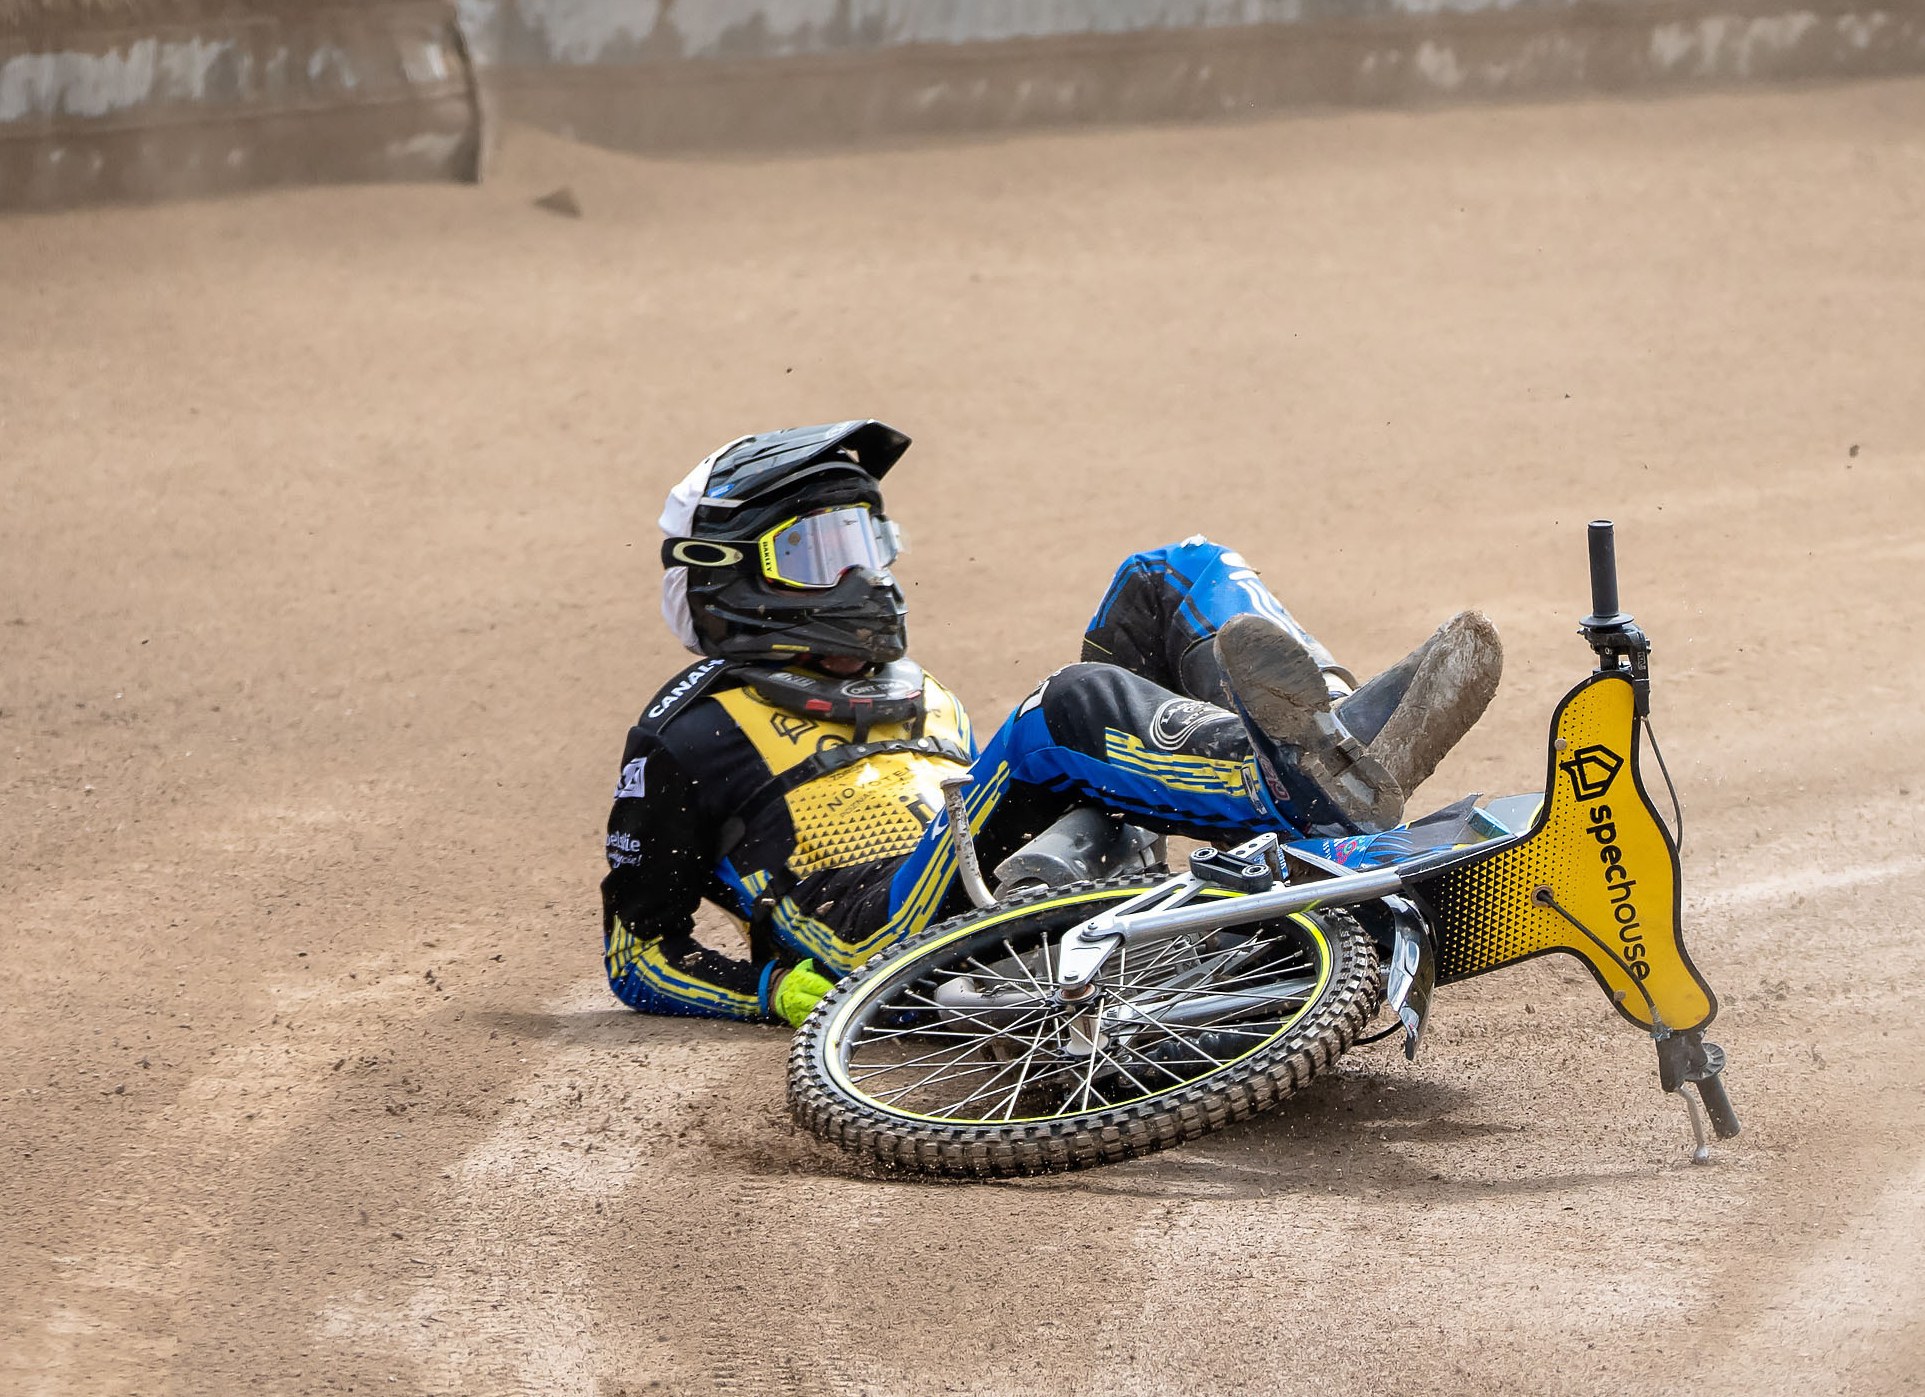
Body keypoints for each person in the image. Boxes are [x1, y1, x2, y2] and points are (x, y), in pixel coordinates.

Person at [602, 420, 1502, 1025]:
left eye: (868, 543)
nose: (866, 576)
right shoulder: (689, 734)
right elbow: (636, 952)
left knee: (1169, 573)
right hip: (879, 929)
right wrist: (767, 991)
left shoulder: (914, 687)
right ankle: (1297, 781)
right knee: (1056, 712)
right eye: (822, 554)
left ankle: (1337, 739)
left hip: (990, 875)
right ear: (730, 575)